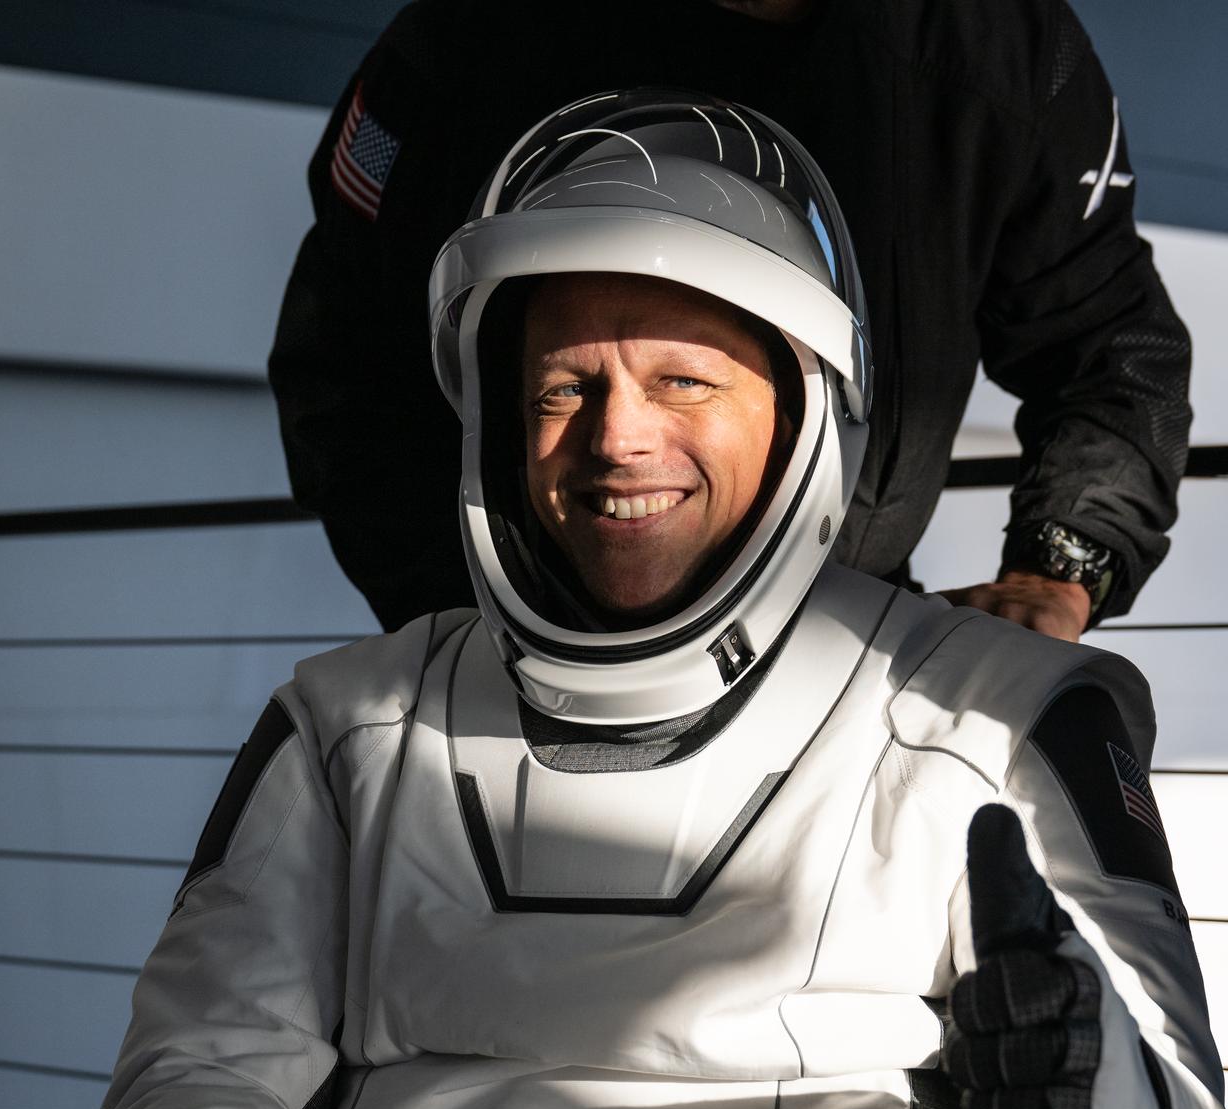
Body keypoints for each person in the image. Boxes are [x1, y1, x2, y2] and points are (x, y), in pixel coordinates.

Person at [98, 94, 1225, 1109]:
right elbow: (195, 1084)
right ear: (496, 423)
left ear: (802, 410)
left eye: (682, 381)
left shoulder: (999, 714)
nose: (616, 437)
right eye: (561, 387)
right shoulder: (350, 727)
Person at [269, 0, 1192, 643]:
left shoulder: (1004, 52)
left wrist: (1057, 568)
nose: (626, 437)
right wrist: (473, 629)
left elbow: (1113, 353)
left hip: (848, 643)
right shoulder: (457, 48)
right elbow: (342, 368)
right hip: (520, 656)